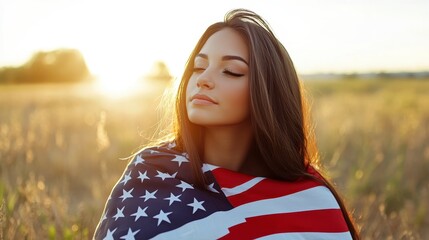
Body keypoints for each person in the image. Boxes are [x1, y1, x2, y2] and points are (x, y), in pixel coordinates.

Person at [94, 8, 359, 240]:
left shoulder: (309, 198)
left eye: (231, 71)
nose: (203, 79)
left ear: (268, 91)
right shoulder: (151, 174)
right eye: (198, 67)